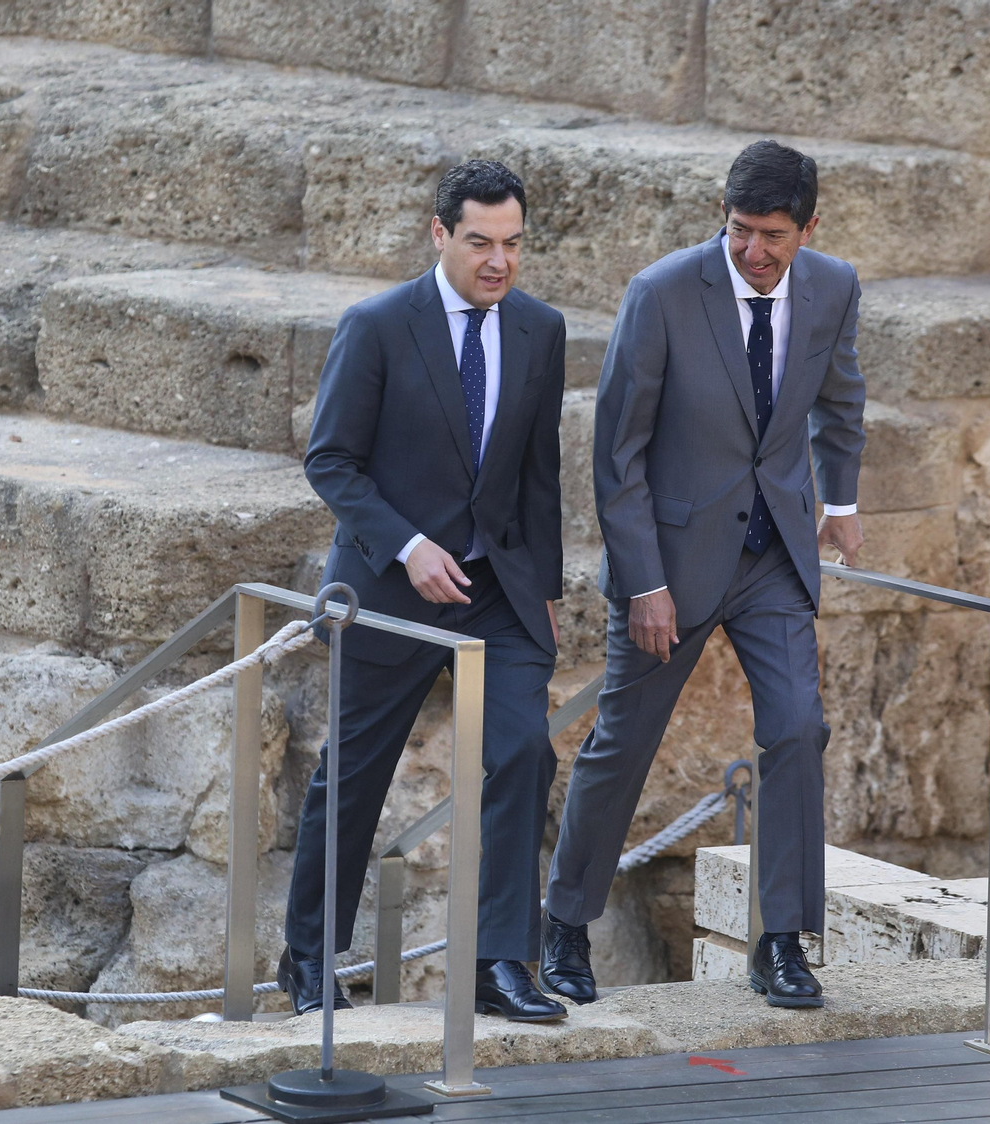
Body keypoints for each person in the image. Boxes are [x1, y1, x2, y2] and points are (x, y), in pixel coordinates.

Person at [541, 140, 867, 1010]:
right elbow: (619, 455)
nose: (753, 251)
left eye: (772, 235)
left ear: (808, 228)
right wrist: (643, 582)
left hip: (775, 559)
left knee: (800, 729)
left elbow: (842, 398)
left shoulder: (835, 286)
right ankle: (565, 925)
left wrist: (840, 499)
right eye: (738, 231)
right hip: (671, 568)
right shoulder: (660, 293)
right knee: (623, 746)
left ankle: (781, 943)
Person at [280, 159, 569, 1022]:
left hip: (500, 590)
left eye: (512, 243)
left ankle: (499, 963)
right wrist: (406, 547)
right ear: (440, 234)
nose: (499, 261)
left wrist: (544, 586)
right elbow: (330, 461)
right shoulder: (376, 326)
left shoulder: (541, 330)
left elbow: (539, 474)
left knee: (523, 752)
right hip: (388, 587)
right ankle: (307, 964)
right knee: (356, 776)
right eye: (480, 241)